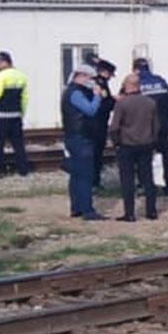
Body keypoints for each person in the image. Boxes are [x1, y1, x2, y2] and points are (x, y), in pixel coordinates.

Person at [109, 73, 161, 221]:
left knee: (127, 179)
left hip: (127, 145)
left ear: (128, 86)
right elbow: (156, 126)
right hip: (146, 144)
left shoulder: (122, 103)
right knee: (148, 178)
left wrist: (116, 143)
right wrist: (153, 141)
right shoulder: (150, 102)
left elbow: (114, 127)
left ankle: (130, 213)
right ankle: (151, 211)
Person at [62, 64, 107, 221]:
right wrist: (97, 96)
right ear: (82, 76)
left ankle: (76, 208)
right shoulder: (76, 93)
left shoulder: (70, 91)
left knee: (76, 174)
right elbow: (90, 110)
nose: (93, 82)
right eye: (91, 78)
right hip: (81, 138)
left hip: (74, 136)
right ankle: (87, 210)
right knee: (85, 175)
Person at [134, 58, 168, 195]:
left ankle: (145, 185)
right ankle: (167, 186)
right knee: (163, 156)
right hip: (162, 127)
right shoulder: (161, 82)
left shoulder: (135, 83)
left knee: (143, 157)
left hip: (142, 129)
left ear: (136, 69)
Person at [0, 51, 29, 176]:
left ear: (4, 62)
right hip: (16, 115)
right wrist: (21, 113)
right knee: (18, 144)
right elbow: (25, 98)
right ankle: (23, 169)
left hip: (0, 116)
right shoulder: (22, 76)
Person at [90, 58, 117, 187]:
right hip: (97, 123)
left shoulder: (98, 83)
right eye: (110, 74)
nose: (111, 77)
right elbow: (102, 105)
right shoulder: (100, 84)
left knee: (97, 154)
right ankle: (94, 182)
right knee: (96, 154)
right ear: (105, 72)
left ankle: (95, 181)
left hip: (98, 123)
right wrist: (114, 101)